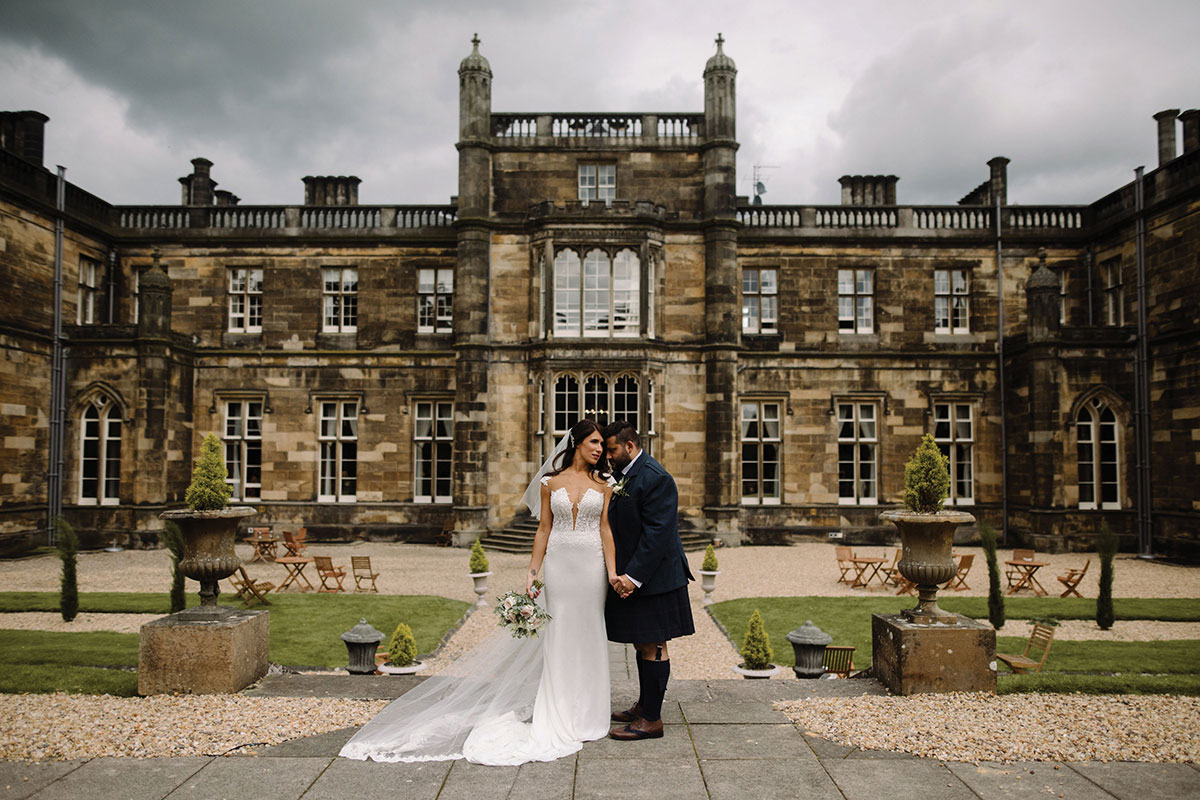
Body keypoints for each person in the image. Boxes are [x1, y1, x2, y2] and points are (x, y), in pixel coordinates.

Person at [339, 419, 618, 765]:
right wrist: (532, 572)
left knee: (590, 633)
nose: (599, 450)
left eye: (602, 446)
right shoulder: (550, 483)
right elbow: (544, 529)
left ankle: (590, 715)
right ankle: (560, 712)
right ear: (576, 442)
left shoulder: (606, 483)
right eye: (593, 442)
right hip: (560, 565)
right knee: (558, 635)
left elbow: (605, 529)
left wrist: (613, 571)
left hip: (591, 567)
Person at [603, 419, 695, 740]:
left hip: (657, 579)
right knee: (643, 641)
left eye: (612, 449)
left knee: (655, 644)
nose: (608, 455)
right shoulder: (624, 475)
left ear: (630, 446)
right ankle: (645, 705)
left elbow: (657, 535)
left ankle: (651, 720)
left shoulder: (657, 478)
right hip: (642, 576)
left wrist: (632, 576)